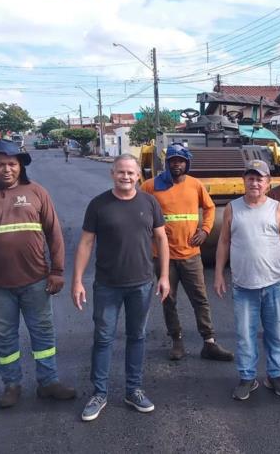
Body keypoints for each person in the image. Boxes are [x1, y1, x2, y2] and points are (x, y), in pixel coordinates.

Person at [0, 139, 76, 409]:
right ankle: (11, 385)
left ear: (20, 166)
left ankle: (48, 382)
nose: (6, 169)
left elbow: (54, 233)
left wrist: (57, 270)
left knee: (43, 334)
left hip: (36, 281)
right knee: (5, 337)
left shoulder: (36, 192)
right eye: (0, 165)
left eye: (12, 164)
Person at [72, 153, 170, 421]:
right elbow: (85, 244)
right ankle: (99, 393)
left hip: (142, 284)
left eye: (130, 172)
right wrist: (77, 280)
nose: (126, 177)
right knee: (103, 339)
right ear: (112, 174)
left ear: (139, 175)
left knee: (137, 337)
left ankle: (133, 390)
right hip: (107, 286)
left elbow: (161, 239)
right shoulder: (98, 205)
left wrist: (164, 276)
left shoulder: (150, 203)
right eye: (120, 172)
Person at [214, 159, 280, 401]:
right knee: (245, 334)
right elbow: (224, 242)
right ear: (244, 181)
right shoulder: (233, 208)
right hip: (243, 285)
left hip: (273, 283)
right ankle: (247, 377)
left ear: (268, 182)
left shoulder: (277, 208)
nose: (255, 182)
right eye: (251, 178)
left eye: (259, 178)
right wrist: (219, 273)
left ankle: (274, 375)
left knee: (275, 333)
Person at [140, 144, 233, 361]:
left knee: (200, 299)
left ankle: (209, 342)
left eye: (181, 160)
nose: (177, 164)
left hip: (191, 255)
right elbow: (138, 207)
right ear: (167, 163)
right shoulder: (150, 186)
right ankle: (177, 340)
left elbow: (209, 208)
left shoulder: (195, 185)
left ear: (187, 163)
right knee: (169, 300)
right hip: (163, 258)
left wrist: (206, 230)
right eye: (173, 160)